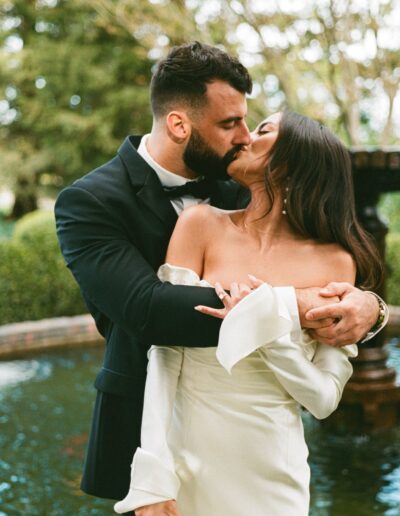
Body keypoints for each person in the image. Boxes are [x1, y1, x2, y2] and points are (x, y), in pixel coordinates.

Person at [54, 42, 387, 508]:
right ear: (179, 123)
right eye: (230, 124)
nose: (245, 137)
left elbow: (327, 381)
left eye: (250, 123)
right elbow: (148, 314)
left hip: (269, 454)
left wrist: (373, 309)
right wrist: (293, 305)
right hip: (151, 427)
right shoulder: (89, 203)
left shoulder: (240, 182)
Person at [114, 110, 383, 516]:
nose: (244, 137)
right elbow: (166, 356)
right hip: (189, 460)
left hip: (273, 471)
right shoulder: (199, 224)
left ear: (294, 159)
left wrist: (269, 330)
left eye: (263, 130)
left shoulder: (336, 261)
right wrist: (152, 475)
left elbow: (324, 400)